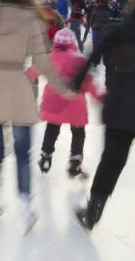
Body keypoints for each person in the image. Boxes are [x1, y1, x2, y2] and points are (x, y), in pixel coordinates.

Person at [0, 0, 74, 232]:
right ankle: (25, 205)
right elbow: (44, 62)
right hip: (17, 84)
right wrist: (63, 88)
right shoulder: (31, 20)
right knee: (22, 152)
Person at [74, 0, 135, 230]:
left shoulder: (120, 30)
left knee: (112, 159)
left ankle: (94, 210)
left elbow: (93, 57)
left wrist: (76, 82)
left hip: (122, 105)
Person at [28, 28, 104, 178]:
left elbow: (30, 73)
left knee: (52, 128)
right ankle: (75, 163)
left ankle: (46, 156)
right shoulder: (79, 60)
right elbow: (89, 84)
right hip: (74, 105)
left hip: (53, 105)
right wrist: (102, 98)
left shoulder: (47, 58)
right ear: (73, 44)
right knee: (78, 133)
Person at [82, 0, 111, 66]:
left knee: (96, 46)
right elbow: (110, 20)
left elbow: (92, 20)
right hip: (105, 30)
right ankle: (105, 61)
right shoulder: (109, 10)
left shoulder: (95, 9)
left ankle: (96, 61)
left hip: (96, 29)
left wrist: (91, 26)